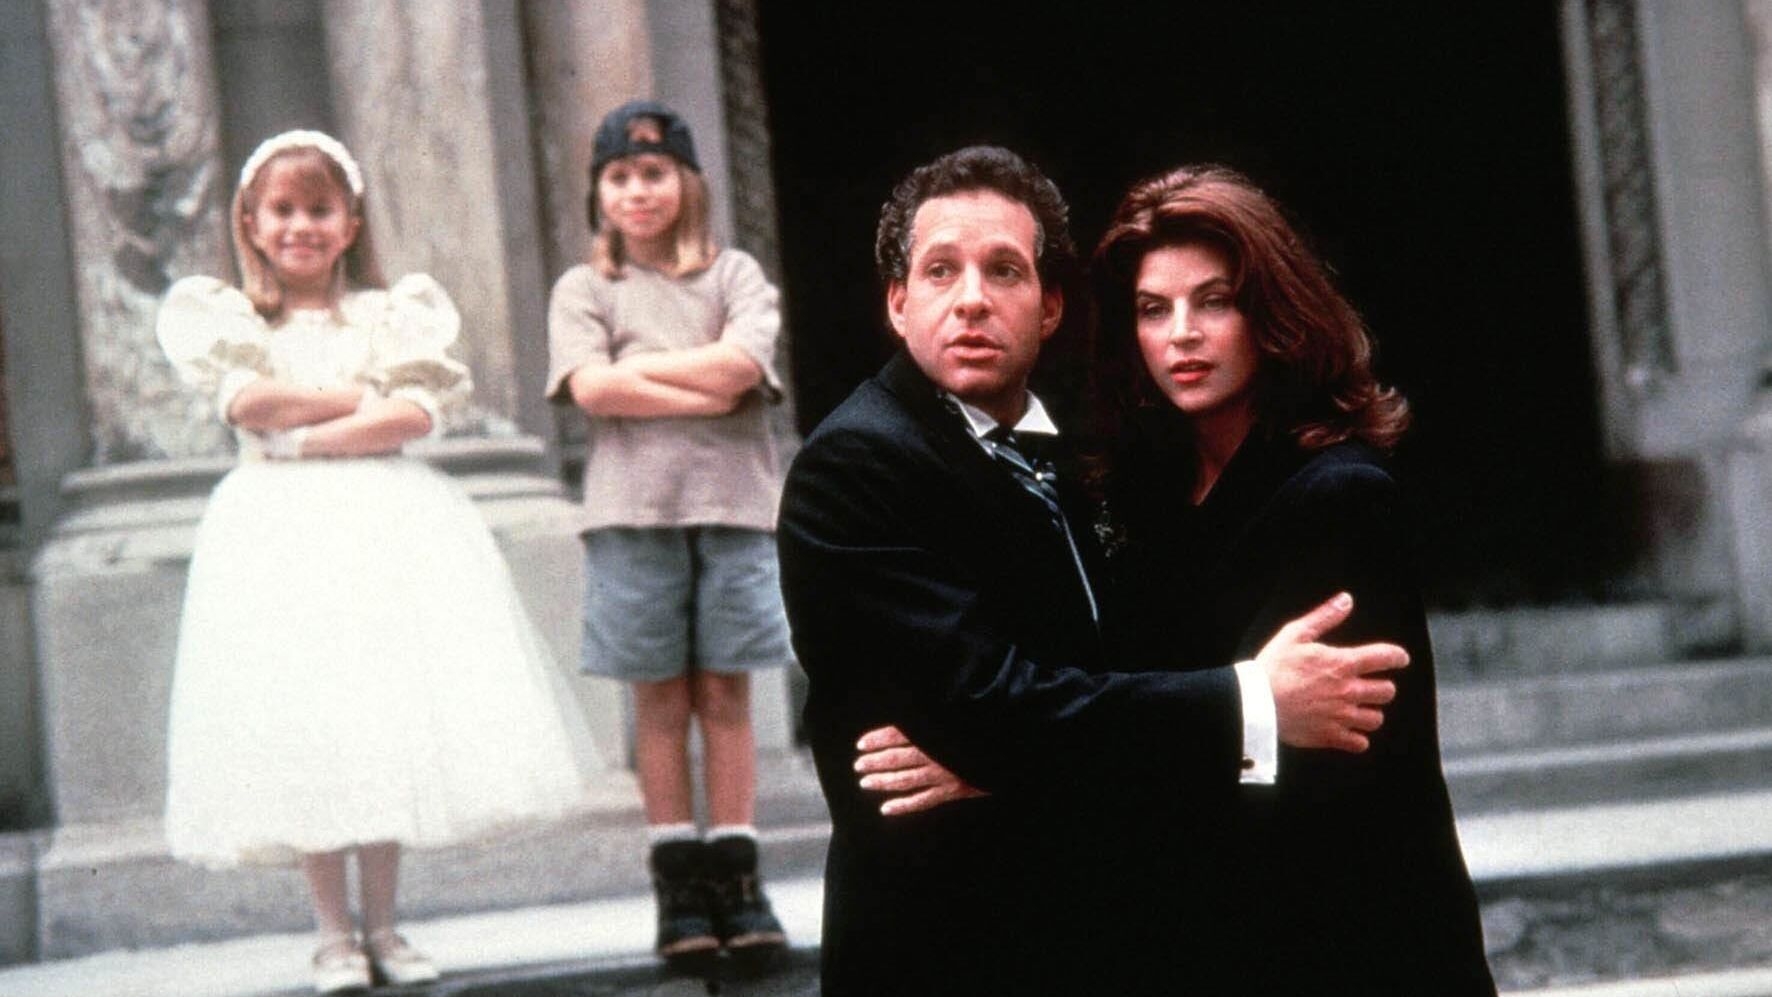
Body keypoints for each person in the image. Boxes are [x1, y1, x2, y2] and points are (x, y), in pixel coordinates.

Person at [776, 145, 1410, 995]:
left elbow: (1092, 683)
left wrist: (1000, 760)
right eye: (940, 271)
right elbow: (988, 705)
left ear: (1050, 307)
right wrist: (1253, 702)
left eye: (1004, 269)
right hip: (947, 949)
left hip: (1104, 935)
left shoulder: (1088, 463)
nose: (972, 298)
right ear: (898, 302)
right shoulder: (855, 464)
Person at [157, 130, 595, 994]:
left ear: (351, 223)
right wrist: (361, 398)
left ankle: (386, 924)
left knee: (385, 716)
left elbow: (415, 413)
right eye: (283, 210)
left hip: (383, 533)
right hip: (278, 540)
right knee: (312, 722)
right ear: (251, 223)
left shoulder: (393, 315)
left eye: (320, 209)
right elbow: (250, 403)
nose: (302, 227)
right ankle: (333, 932)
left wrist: (309, 436)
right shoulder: (234, 322)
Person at [1089, 164, 1495, 992]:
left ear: (1270, 312)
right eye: (1153, 309)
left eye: (1214, 301)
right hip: (1216, 932)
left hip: (1353, 939)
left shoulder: (1339, 494)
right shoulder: (1145, 497)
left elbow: (1316, 769)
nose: (1181, 334)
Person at [546, 100, 790, 971]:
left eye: (654, 173)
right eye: (619, 176)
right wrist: (701, 387)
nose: (637, 191)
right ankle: (678, 883)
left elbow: (741, 367)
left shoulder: (735, 276)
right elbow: (591, 390)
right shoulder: (586, 290)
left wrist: (638, 369)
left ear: (687, 181)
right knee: (658, 699)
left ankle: (737, 874)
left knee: (724, 692)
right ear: (599, 193)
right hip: (633, 515)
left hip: (731, 507)